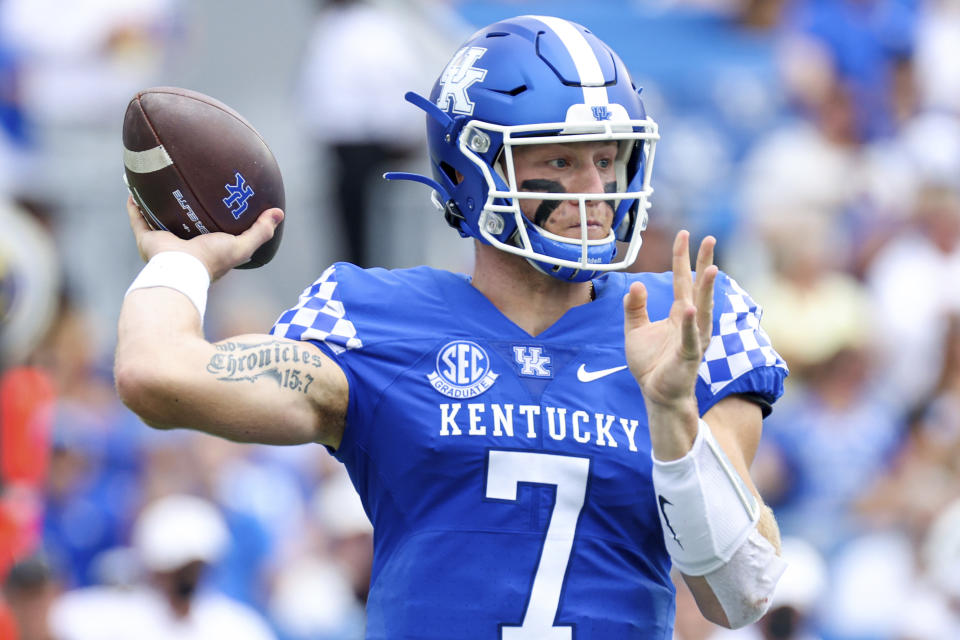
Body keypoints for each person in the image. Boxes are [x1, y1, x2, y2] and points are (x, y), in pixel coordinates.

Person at [114, 15, 789, 639]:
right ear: (472, 170)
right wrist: (180, 265)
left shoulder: (686, 319)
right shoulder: (374, 321)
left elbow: (738, 593)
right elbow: (156, 375)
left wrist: (673, 417)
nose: (594, 191)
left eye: (607, 160)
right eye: (559, 160)